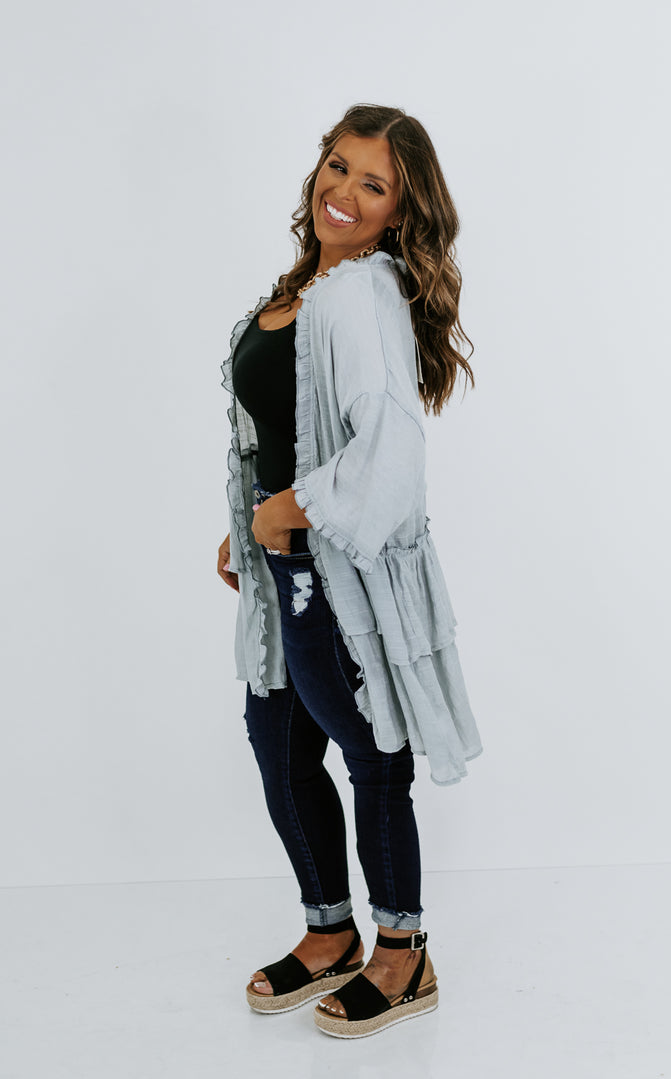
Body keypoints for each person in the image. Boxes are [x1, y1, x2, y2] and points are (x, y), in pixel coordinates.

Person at [217, 104, 482, 1038]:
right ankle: (329, 932)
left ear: (401, 210)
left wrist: (290, 508)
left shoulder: (362, 293)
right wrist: (246, 524)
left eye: (375, 184)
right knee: (280, 744)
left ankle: (403, 952)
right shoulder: (309, 284)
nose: (345, 191)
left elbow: (390, 455)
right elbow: (280, 427)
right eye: (338, 166)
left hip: (331, 576)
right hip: (279, 567)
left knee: (373, 757)